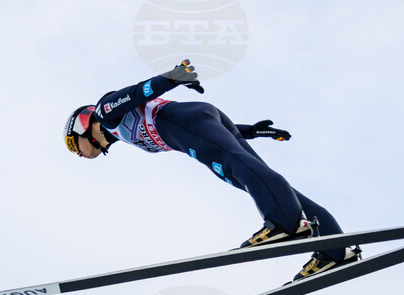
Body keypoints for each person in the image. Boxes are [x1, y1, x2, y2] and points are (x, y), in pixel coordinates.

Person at [64, 59, 359, 281]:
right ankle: (336, 250)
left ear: (81, 125)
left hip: (185, 122)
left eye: (73, 144)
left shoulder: (105, 111)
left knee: (239, 166)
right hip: (200, 123)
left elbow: (137, 93)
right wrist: (249, 132)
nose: (77, 153)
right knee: (252, 176)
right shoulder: (118, 133)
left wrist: (172, 77)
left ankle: (286, 224)